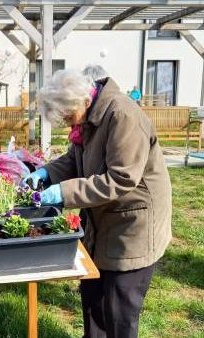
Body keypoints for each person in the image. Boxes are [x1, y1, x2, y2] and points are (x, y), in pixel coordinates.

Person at [22, 69, 172, 338]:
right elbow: (72, 160)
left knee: (120, 312)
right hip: (104, 221)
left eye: (68, 117)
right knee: (94, 300)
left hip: (133, 225)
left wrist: (63, 193)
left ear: (81, 100)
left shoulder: (122, 115)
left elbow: (121, 178)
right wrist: (45, 174)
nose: (69, 126)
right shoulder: (88, 117)